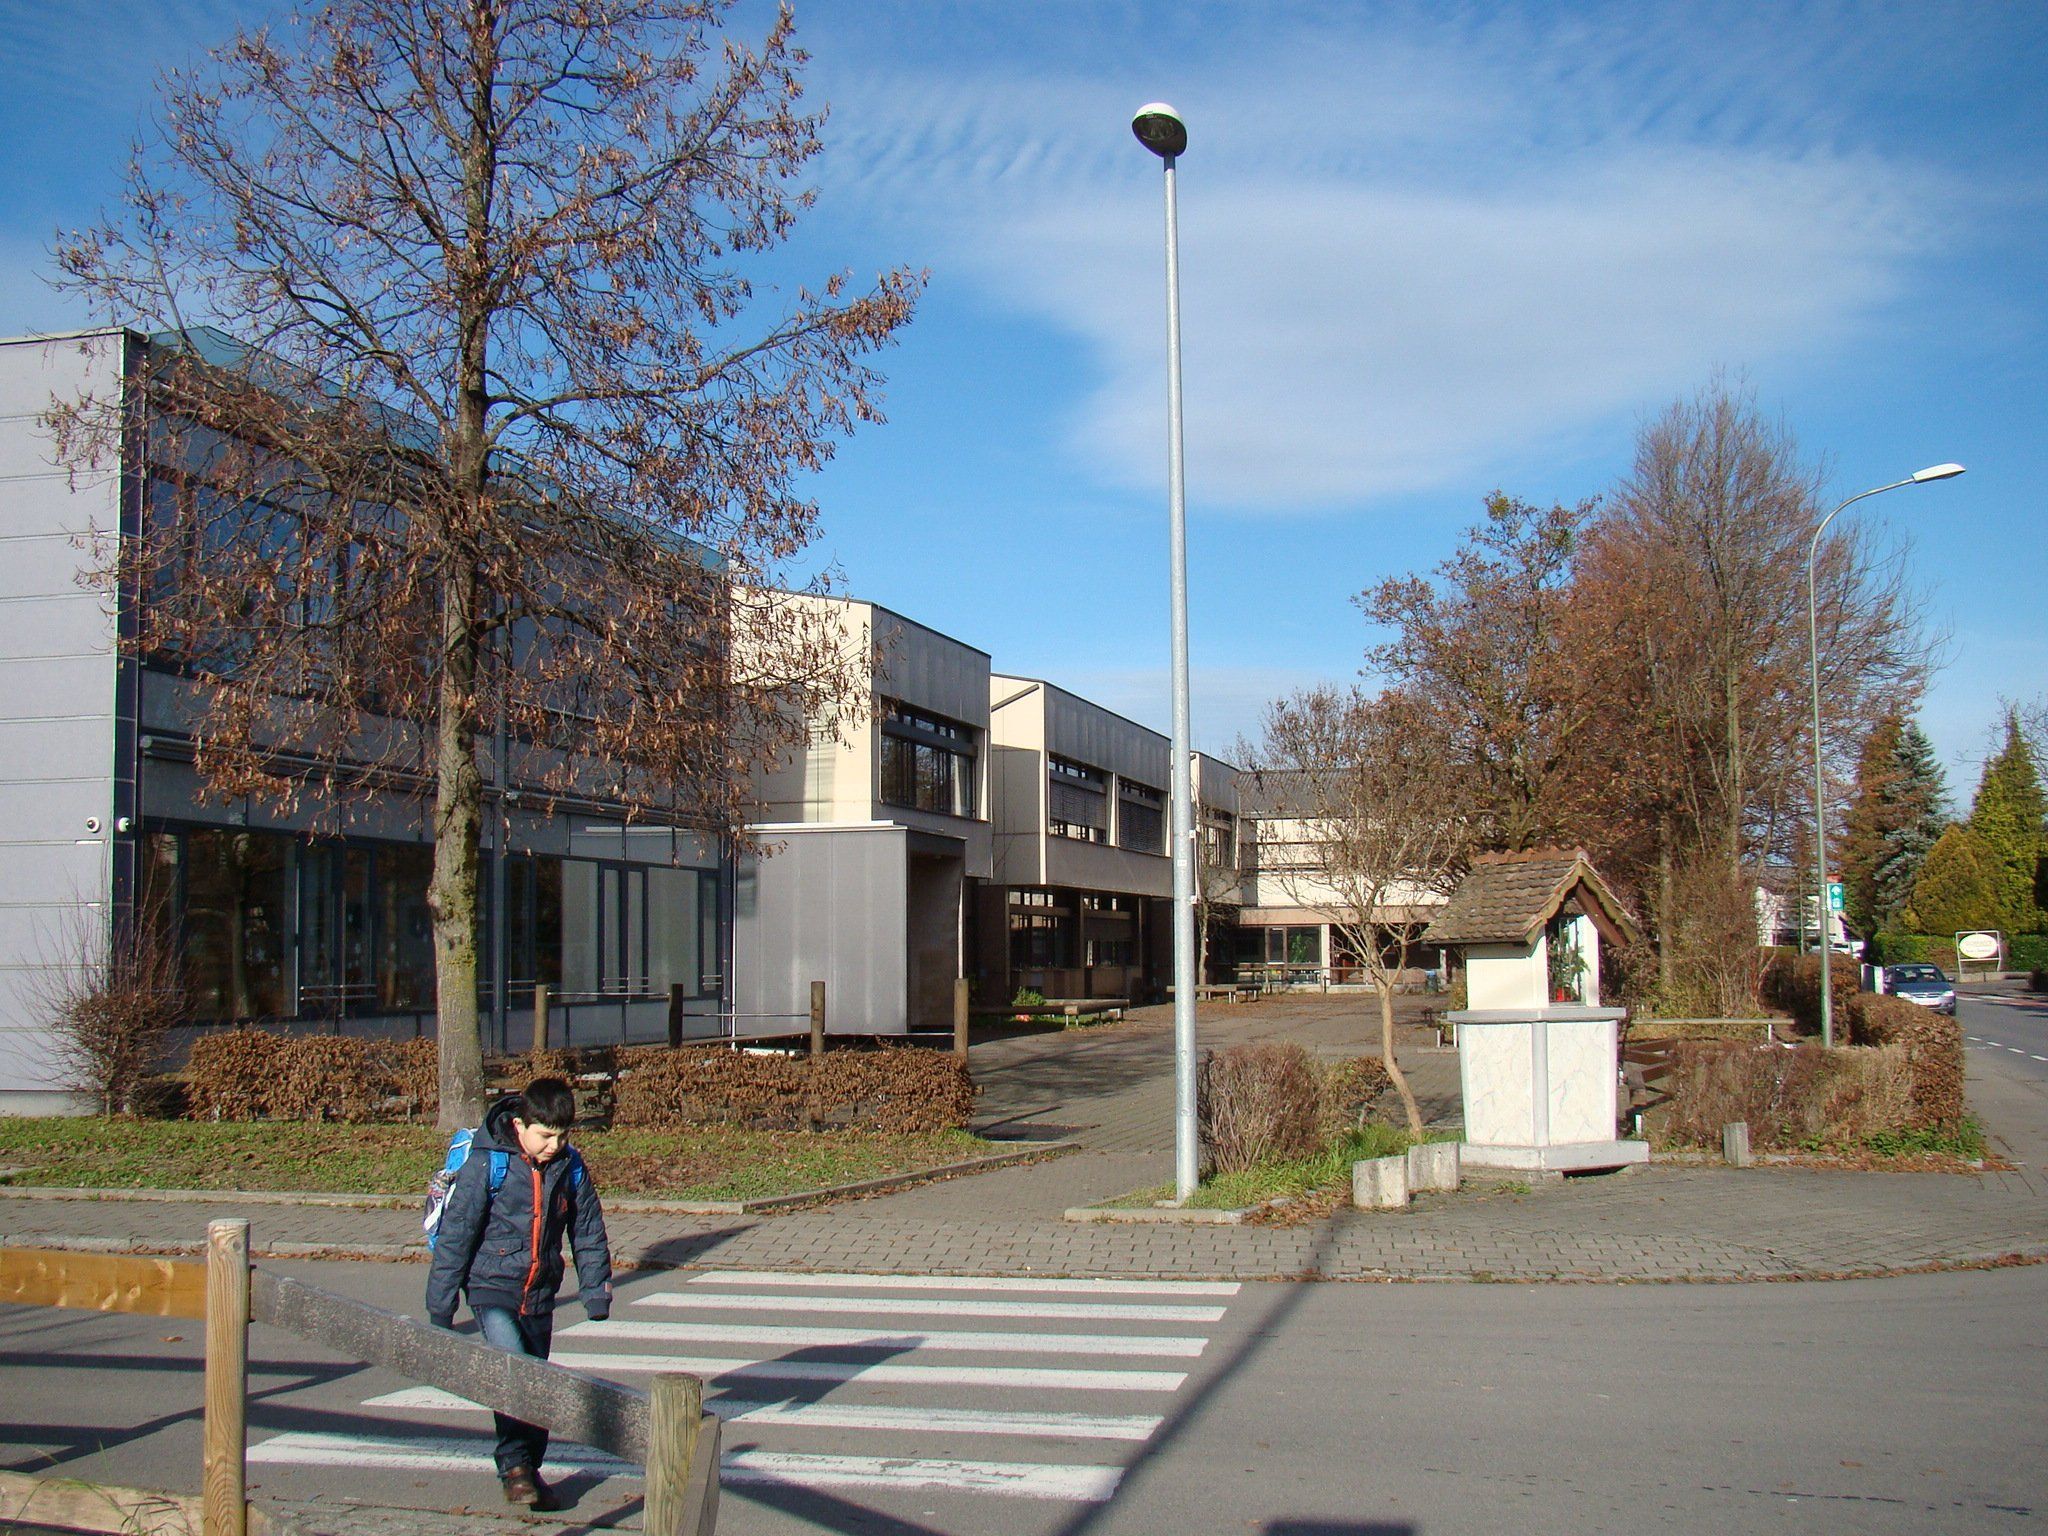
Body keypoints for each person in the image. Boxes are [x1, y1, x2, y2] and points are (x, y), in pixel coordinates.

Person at [425, 1076, 612, 1510]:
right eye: (546, 1136)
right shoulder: (489, 1162)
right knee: (513, 1371)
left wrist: (595, 1292)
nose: (554, 1145)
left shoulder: (570, 1167)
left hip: (540, 1293)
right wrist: (441, 1305)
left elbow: (587, 1232)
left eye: (562, 1136)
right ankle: (513, 1467)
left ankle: (529, 1466)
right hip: (491, 1288)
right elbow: (457, 1233)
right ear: (520, 1124)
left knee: (537, 1383)